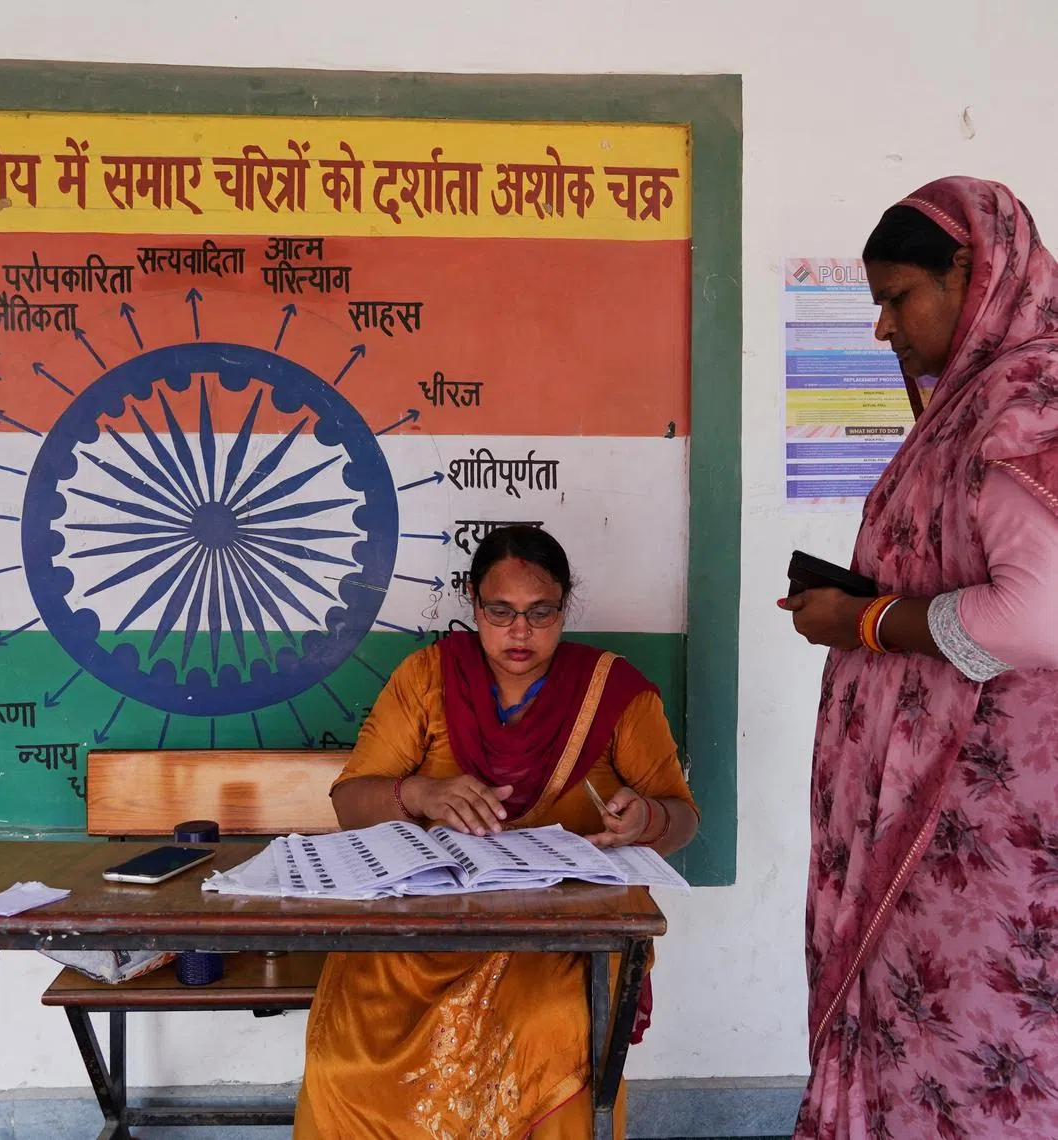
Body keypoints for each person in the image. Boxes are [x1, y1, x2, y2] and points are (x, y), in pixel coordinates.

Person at [780, 177, 1058, 1139]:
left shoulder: (1026, 401)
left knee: (974, 1066)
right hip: (928, 832)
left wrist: (866, 623)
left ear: (973, 276)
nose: (884, 329)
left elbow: (1033, 618)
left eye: (899, 299)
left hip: (975, 834)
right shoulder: (972, 404)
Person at [294, 524, 699, 1139]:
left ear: (566, 606)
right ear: (472, 602)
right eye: (500, 611)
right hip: (422, 925)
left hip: (563, 935)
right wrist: (421, 792)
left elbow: (684, 815)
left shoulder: (612, 692)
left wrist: (646, 819)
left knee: (550, 1030)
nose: (519, 632)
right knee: (344, 1054)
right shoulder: (427, 679)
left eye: (541, 613)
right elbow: (351, 800)